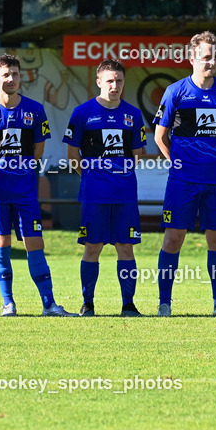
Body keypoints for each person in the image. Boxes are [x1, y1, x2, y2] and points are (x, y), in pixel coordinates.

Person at [153, 31, 216, 317]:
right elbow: (160, 137)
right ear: (192, 58)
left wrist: (210, 158)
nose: (211, 62)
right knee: (173, 238)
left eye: (215, 56)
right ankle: (164, 303)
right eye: (205, 57)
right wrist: (176, 163)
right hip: (182, 181)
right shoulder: (176, 91)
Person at [0, 53, 72, 316]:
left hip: (24, 191)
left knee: (35, 243)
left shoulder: (35, 109)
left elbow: (37, 151)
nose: (11, 79)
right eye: (5, 74)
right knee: (1, 243)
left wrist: (19, 170)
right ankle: (8, 304)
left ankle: (49, 304)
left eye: (15, 74)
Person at [63, 58, 146, 317]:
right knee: (93, 247)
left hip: (124, 194)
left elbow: (138, 154)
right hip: (94, 193)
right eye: (109, 80)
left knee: (125, 246)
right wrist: (90, 176)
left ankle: (128, 305)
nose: (115, 85)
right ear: (99, 82)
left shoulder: (133, 114)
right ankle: (88, 303)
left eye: (119, 80)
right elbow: (72, 155)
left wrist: (119, 173)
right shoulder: (82, 113)